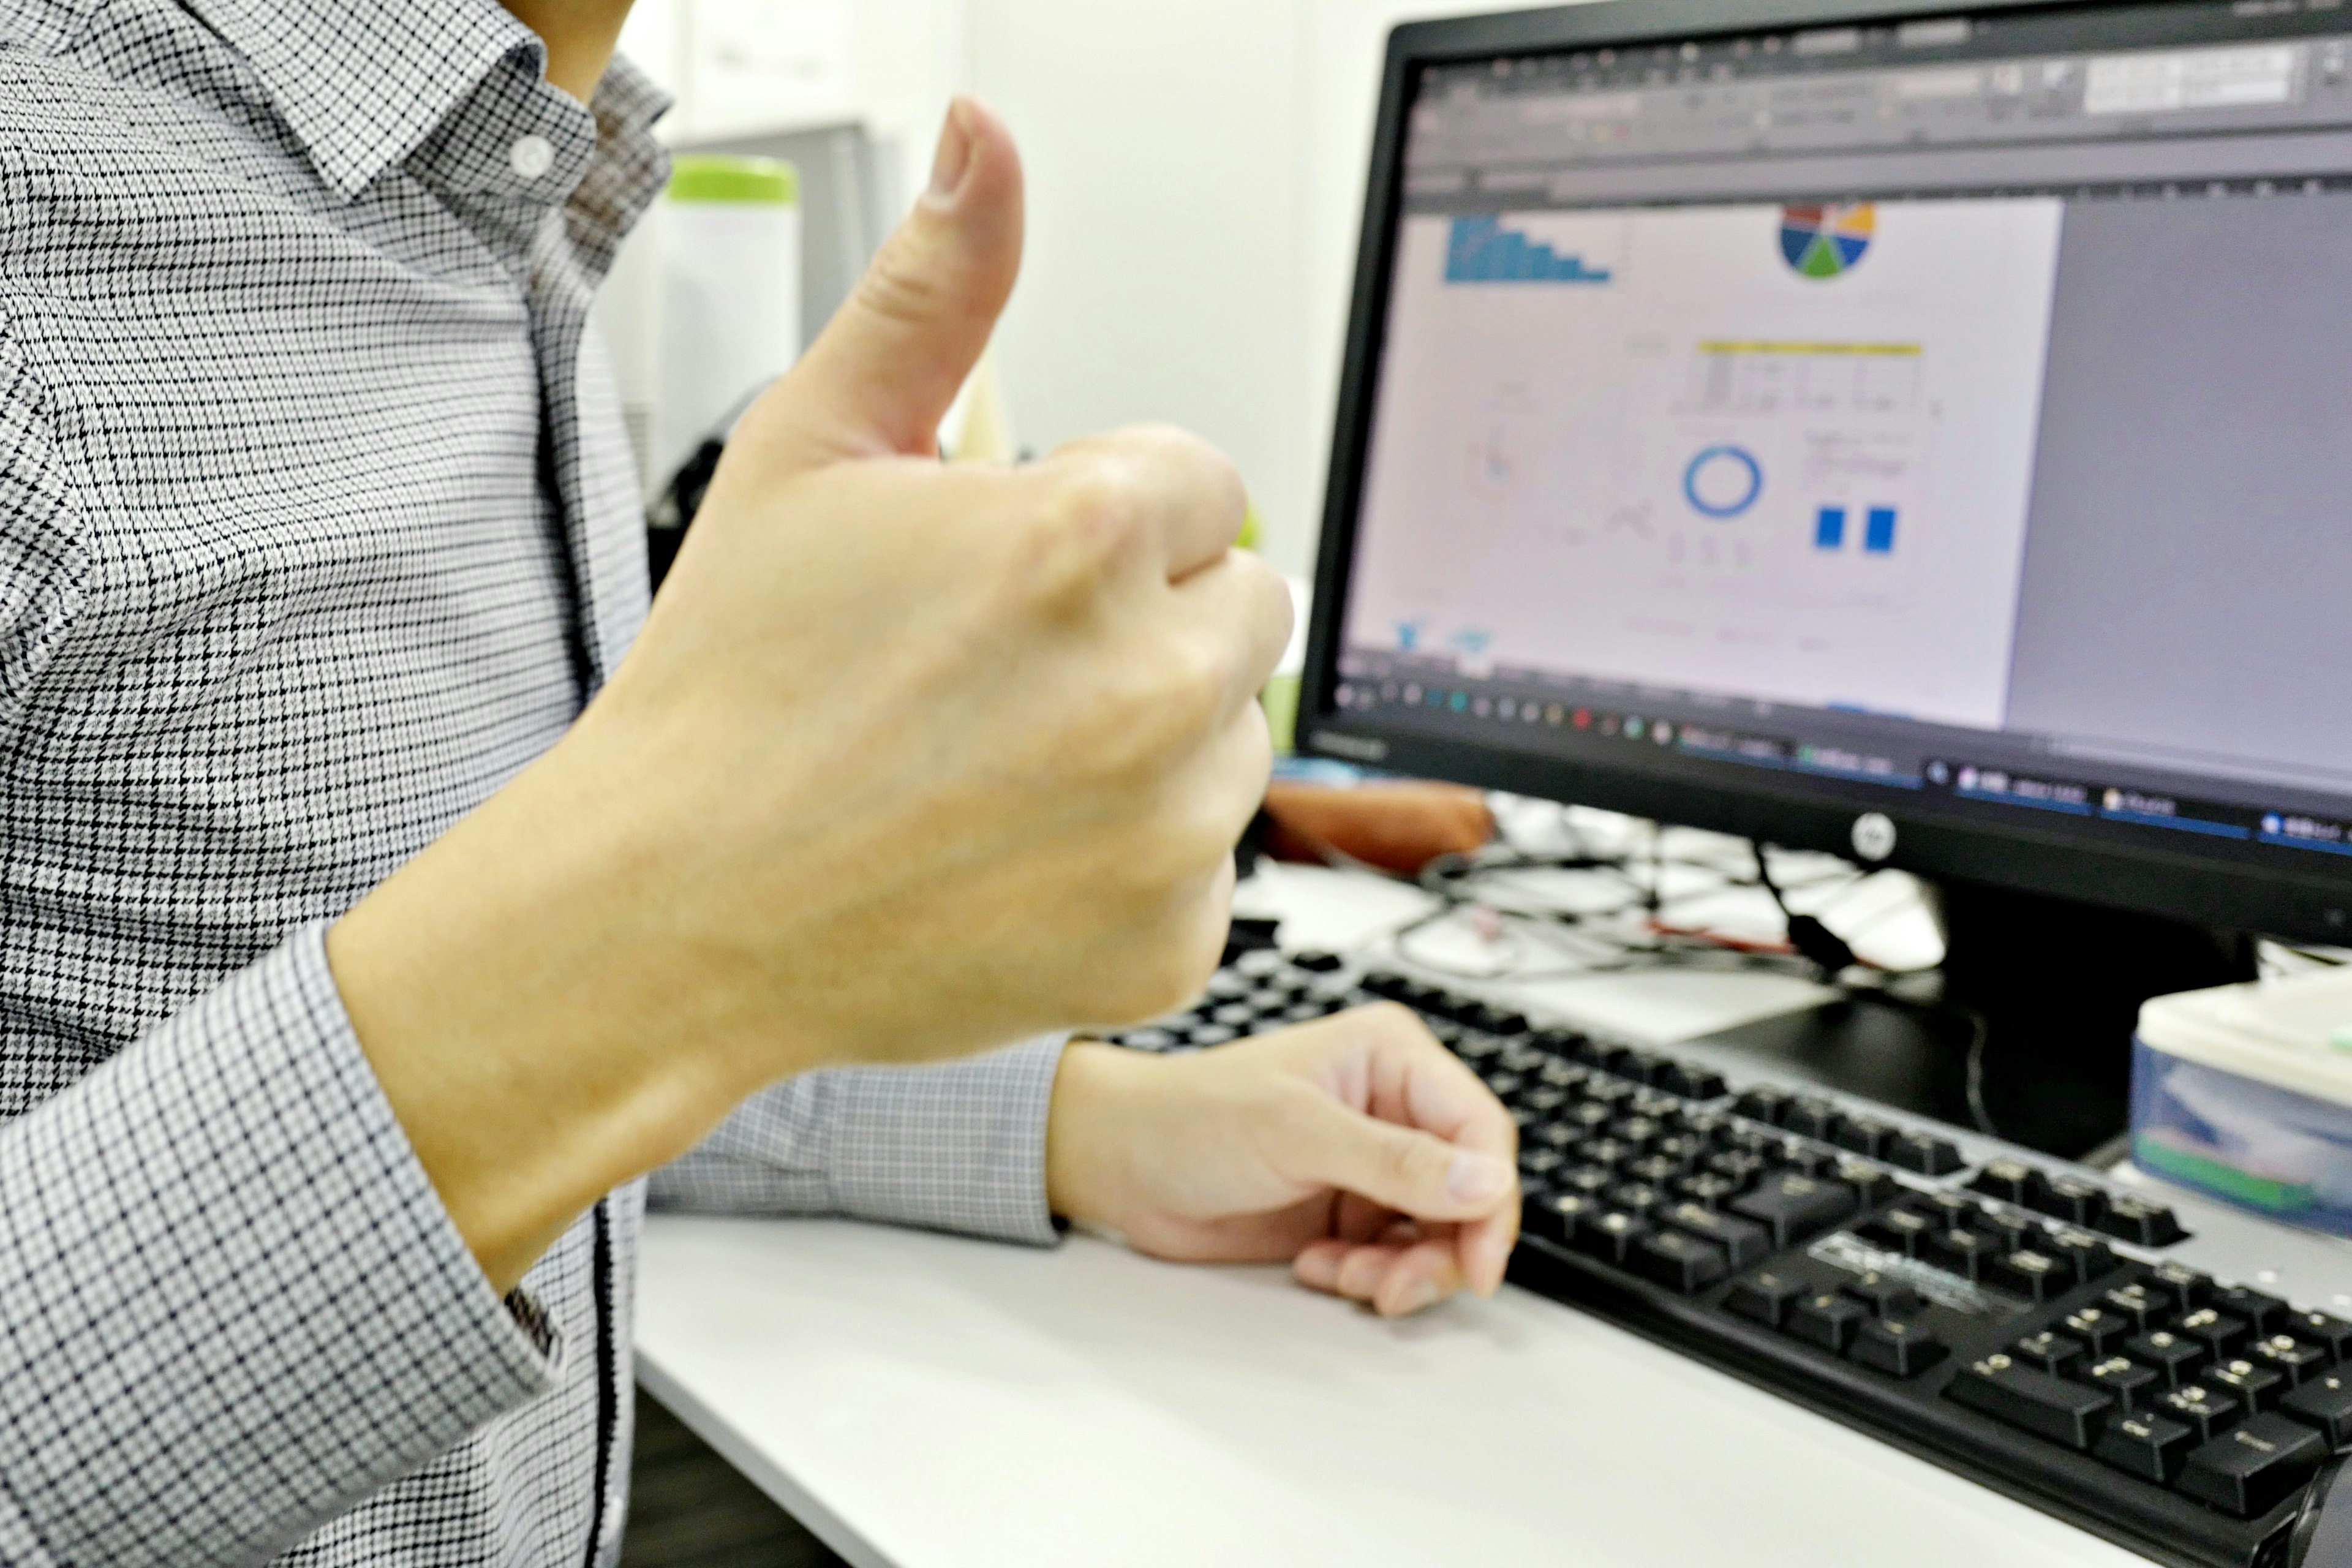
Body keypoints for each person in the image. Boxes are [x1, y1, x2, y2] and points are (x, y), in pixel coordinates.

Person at [0, 1, 1520, 1564]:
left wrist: (1084, 1123)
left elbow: (317, 1016)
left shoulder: (501, 206)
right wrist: (662, 935)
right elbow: (550, 1011)